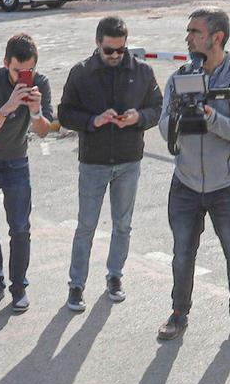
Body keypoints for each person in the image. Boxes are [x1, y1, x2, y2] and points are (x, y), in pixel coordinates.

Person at [159, 7, 230, 345]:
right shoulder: (179, 77)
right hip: (185, 182)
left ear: (216, 38)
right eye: (188, 31)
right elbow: (163, 127)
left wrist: (210, 117)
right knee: (182, 253)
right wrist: (178, 117)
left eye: (195, 32)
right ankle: (178, 313)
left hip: (227, 185)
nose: (188, 38)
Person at [58, 16, 161, 312]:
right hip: (94, 162)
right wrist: (93, 121)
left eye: (120, 50)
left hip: (129, 161)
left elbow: (158, 107)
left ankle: (115, 277)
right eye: (109, 50)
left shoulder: (142, 72)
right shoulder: (81, 73)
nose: (115, 56)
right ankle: (76, 285)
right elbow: (65, 114)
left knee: (123, 225)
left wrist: (138, 118)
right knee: (86, 227)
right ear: (97, 43)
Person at [0, 33, 56, 314]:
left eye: (28, 71)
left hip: (15, 161)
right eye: (17, 70)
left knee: (20, 227)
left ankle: (19, 288)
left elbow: (45, 131)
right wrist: (8, 106)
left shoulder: (39, 84)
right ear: (5, 63)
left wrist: (34, 111)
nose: (22, 78)